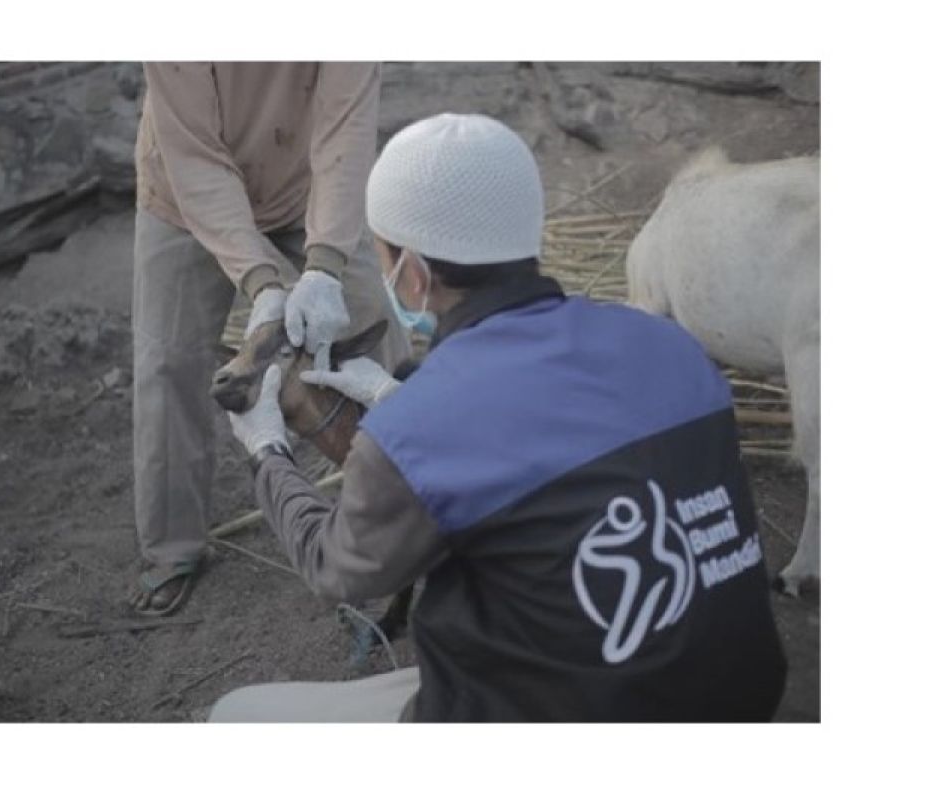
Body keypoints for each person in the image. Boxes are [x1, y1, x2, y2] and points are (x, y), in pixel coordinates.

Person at [213, 113, 787, 722]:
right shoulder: (673, 346)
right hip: (740, 700)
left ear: (410, 273)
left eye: (381, 255)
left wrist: (267, 452)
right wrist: (396, 401)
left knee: (236, 716)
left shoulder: (424, 426)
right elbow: (546, 429)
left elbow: (338, 567)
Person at [129, 63, 410, 616]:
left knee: (375, 328)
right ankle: (173, 549)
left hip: (310, 182)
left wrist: (325, 265)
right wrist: (261, 281)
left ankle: (412, 507)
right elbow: (196, 160)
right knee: (168, 365)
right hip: (183, 202)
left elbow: (345, 130)